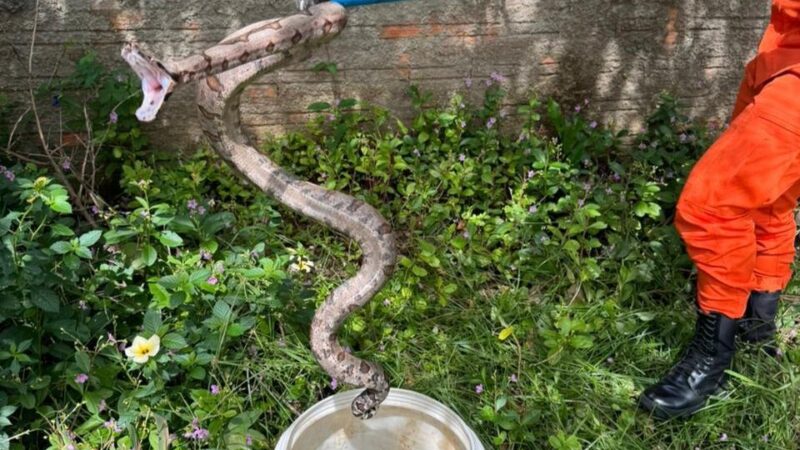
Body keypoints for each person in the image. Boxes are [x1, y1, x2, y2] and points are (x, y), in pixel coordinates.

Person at [639, 0, 800, 419]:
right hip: (786, 41)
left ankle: (710, 362)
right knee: (765, 200)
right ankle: (755, 329)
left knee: (711, 205)